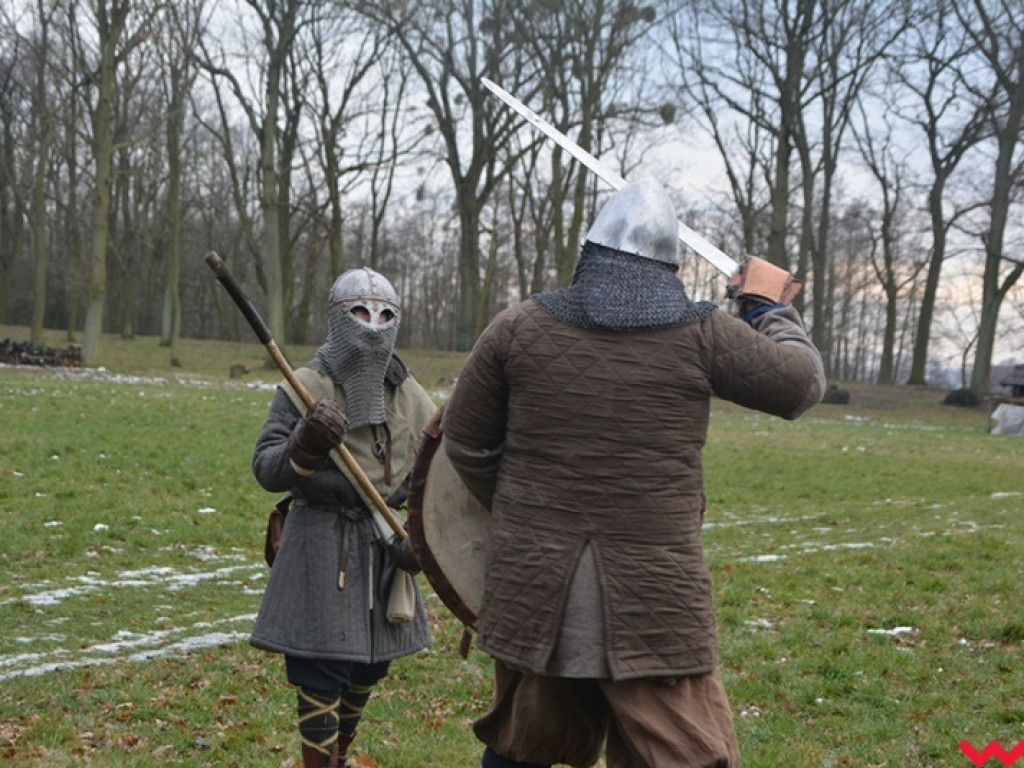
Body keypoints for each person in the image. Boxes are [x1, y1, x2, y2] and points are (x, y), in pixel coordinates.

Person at [441, 178, 826, 768]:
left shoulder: (518, 326)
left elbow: (466, 445)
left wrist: (526, 510)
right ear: (669, 265)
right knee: (681, 752)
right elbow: (801, 385)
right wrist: (769, 309)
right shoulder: (704, 332)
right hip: (653, 594)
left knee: (524, 743)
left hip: (535, 584)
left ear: (590, 252)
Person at [249, 267, 436, 768]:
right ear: (338, 318)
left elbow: (436, 474)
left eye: (385, 314)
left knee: (368, 668)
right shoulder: (306, 384)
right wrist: (305, 443)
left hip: (383, 543)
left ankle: (340, 756)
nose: (373, 325)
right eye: (360, 312)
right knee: (319, 668)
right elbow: (267, 468)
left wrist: (418, 536)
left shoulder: (408, 392)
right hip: (320, 537)